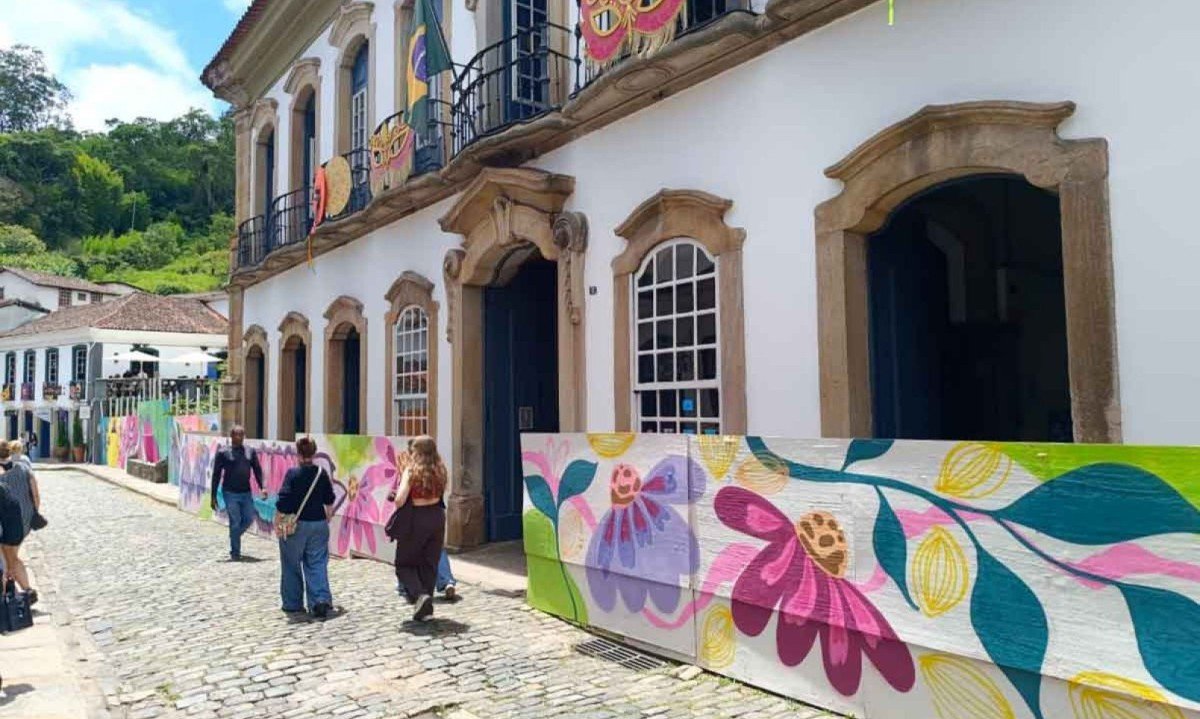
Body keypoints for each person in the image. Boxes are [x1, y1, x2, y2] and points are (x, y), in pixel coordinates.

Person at [274, 436, 335, 618]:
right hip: (319, 524)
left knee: (291, 564)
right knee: (317, 563)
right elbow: (329, 499)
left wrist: (277, 520)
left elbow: (284, 502)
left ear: (298, 454)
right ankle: (320, 600)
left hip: (297, 526)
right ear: (314, 453)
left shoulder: (293, 474)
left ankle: (293, 604)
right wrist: (327, 516)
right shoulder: (321, 473)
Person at [392, 435, 448, 622]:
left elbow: (399, 500)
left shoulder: (411, 471)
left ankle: (419, 596)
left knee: (404, 563)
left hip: (416, 518)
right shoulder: (440, 470)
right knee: (429, 564)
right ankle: (426, 610)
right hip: (437, 517)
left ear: (417, 452)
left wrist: (396, 494)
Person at [211, 426, 267, 560]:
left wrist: (262, 487)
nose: (239, 437)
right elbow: (216, 475)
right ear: (231, 436)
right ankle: (235, 553)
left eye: (241, 435)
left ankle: (234, 535)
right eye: (236, 435)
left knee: (249, 518)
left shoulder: (249, 452)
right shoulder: (223, 453)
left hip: (246, 492)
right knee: (235, 521)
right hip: (229, 492)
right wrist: (213, 496)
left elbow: (257, 470)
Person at [0, 441, 38, 605]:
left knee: (8, 559)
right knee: (12, 557)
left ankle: (17, 594)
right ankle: (24, 591)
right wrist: (33, 515)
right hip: (24, 520)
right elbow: (35, 494)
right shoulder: (23, 468)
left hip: (6, 523)